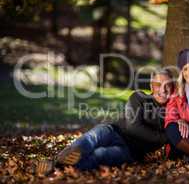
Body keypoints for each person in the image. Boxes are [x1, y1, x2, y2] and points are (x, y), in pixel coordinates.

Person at [36, 69, 174, 175]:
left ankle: (57, 168)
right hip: (113, 130)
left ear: (173, 87)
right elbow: (134, 128)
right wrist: (164, 138)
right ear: (151, 86)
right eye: (158, 84)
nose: (163, 89)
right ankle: (57, 160)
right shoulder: (139, 97)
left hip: (130, 152)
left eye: (167, 85)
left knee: (99, 156)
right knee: (91, 139)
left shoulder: (173, 112)